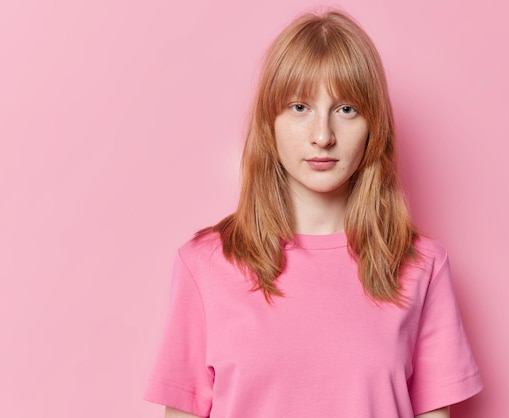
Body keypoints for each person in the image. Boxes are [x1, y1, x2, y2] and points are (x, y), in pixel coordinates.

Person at [144, 9, 482, 418]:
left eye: (346, 110)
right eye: (300, 107)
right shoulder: (206, 265)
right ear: (270, 122)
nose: (323, 136)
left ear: (374, 126)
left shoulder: (420, 266)